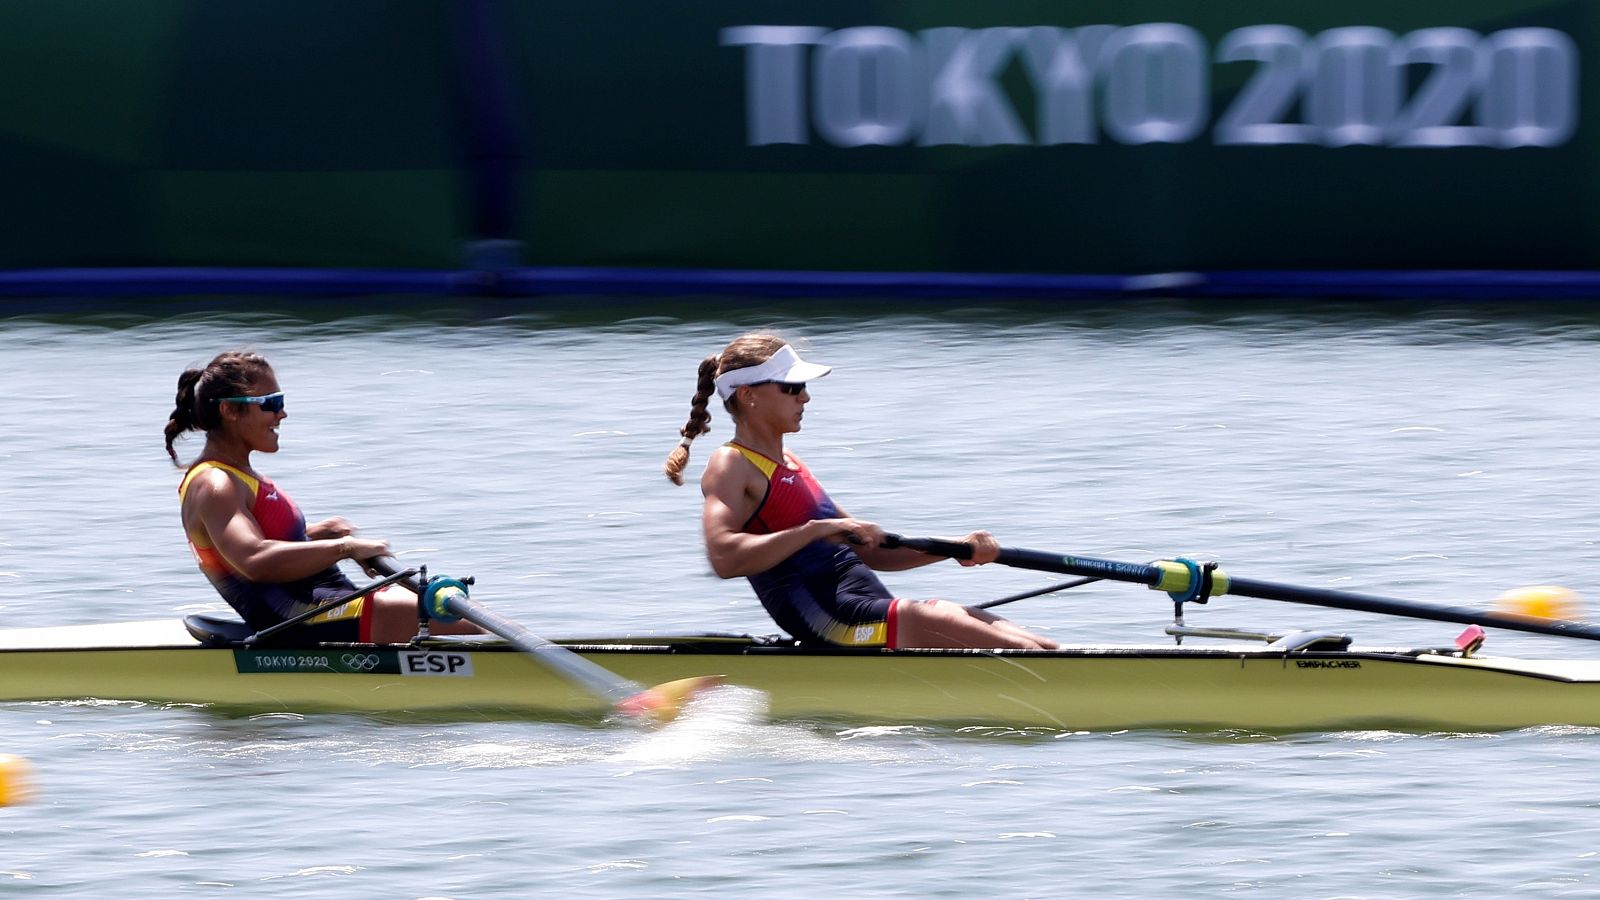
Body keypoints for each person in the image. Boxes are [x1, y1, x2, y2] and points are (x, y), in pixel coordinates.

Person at [665, 333, 1057, 650]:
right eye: (792, 387)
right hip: (832, 623)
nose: (805, 397)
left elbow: (869, 551)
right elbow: (724, 558)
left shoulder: (792, 465)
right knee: (939, 620)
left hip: (866, 609)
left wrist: (957, 548)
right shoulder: (731, 464)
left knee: (1031, 641)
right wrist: (814, 530)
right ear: (749, 395)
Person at [163, 350, 480, 644]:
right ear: (230, 409)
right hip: (298, 618)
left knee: (463, 611)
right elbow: (253, 560)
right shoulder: (215, 483)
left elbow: (258, 542)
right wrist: (344, 548)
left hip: (322, 604)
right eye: (271, 403)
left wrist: (315, 535)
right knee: (473, 627)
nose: (282, 414)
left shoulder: (235, 477)